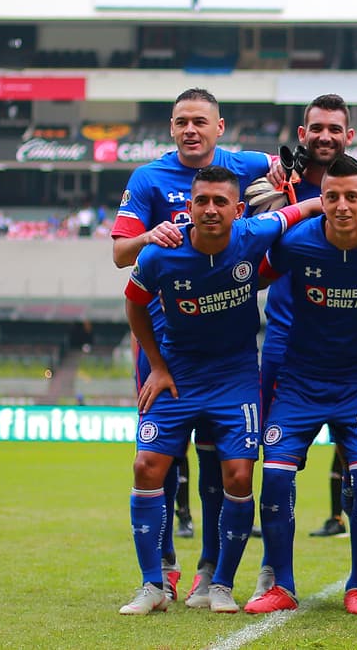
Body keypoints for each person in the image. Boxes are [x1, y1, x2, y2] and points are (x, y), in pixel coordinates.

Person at [119, 166, 323, 615]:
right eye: (201, 201)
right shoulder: (161, 253)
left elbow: (307, 206)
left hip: (234, 378)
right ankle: (152, 585)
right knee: (145, 465)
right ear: (189, 207)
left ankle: (222, 585)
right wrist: (156, 365)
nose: (210, 210)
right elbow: (133, 305)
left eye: (219, 202)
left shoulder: (253, 233)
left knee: (238, 476)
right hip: (177, 374)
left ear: (238, 209)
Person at [110, 88, 274, 604]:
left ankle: (211, 571)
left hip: (227, 347)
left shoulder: (242, 166)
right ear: (171, 126)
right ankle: (161, 569)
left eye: (200, 122)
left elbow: (291, 171)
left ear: (219, 126)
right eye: (181, 122)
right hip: (166, 344)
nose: (190, 130)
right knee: (161, 458)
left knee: (219, 462)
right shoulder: (149, 178)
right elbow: (120, 255)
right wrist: (148, 238)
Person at [246, 94, 357, 599]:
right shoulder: (273, 179)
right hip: (288, 349)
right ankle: (270, 573)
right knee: (272, 466)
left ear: (349, 136)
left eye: (335, 128)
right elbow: (251, 263)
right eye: (316, 128)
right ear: (302, 132)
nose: (325, 136)